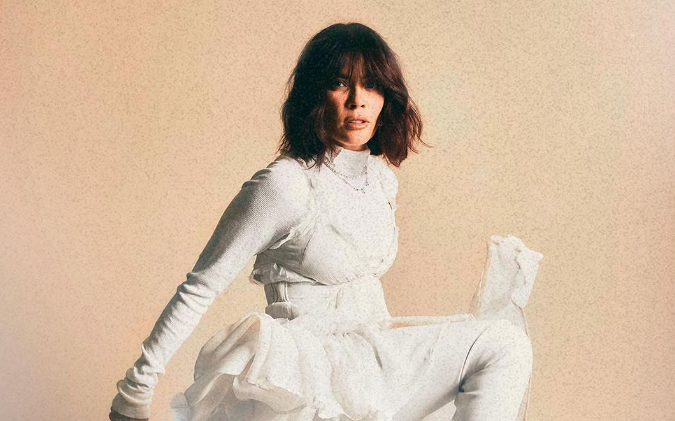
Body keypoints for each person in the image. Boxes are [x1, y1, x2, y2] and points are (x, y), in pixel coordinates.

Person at [109, 22, 542, 421]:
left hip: (375, 364)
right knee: (501, 343)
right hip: (309, 375)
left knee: (504, 344)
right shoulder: (285, 185)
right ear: (314, 95)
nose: (358, 101)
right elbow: (201, 285)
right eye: (340, 84)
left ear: (387, 97)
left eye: (372, 85)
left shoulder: (381, 181)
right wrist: (135, 392)